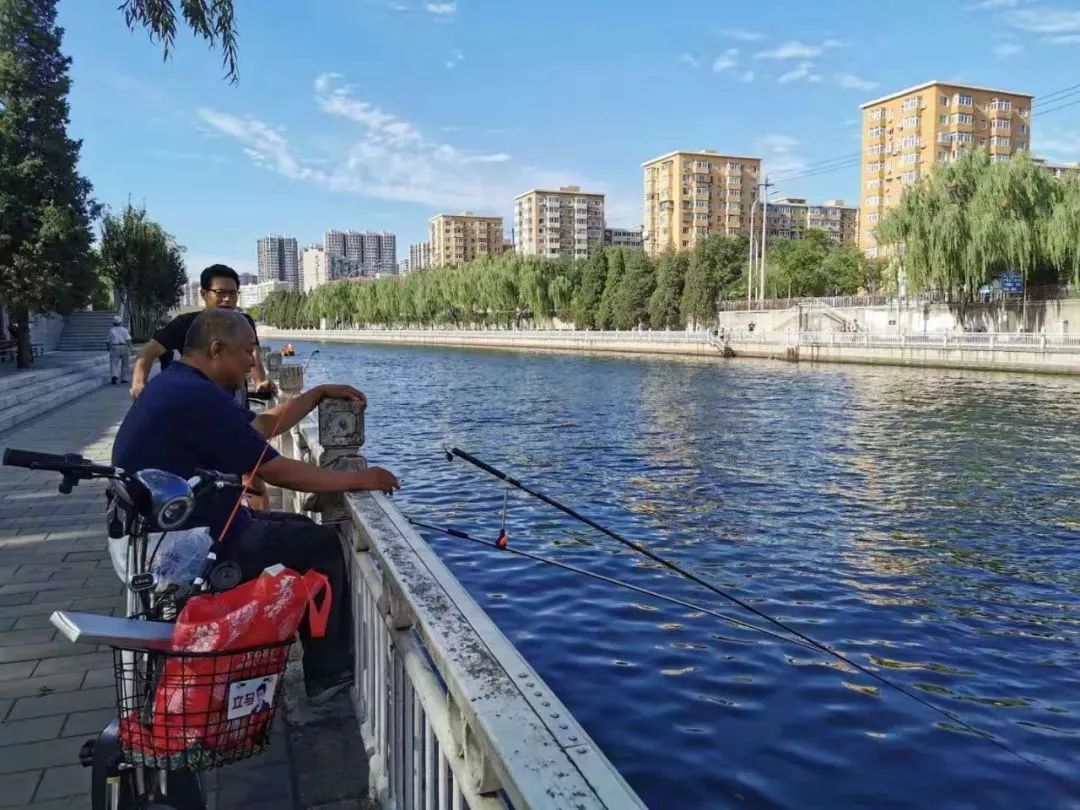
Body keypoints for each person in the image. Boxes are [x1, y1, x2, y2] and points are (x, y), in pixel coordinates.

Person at [112, 309, 399, 703]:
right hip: (181, 549)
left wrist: (315, 395)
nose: (253, 361)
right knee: (319, 545)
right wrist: (358, 479)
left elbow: (261, 428)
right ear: (217, 349)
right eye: (247, 351)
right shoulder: (196, 396)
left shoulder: (180, 385)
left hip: (155, 538)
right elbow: (277, 469)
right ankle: (328, 675)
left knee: (289, 528)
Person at [130, 264, 274, 404]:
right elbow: (148, 351)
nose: (227, 299)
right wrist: (139, 383)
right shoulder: (185, 323)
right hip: (196, 403)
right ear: (204, 294)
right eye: (221, 293)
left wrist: (260, 382)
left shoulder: (244, 322)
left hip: (235, 404)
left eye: (232, 293)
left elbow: (253, 355)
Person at [105, 315, 132, 385]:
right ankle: (124, 379)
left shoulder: (111, 330)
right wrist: (131, 349)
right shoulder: (125, 330)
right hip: (124, 347)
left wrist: (108, 348)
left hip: (115, 347)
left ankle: (114, 375)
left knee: (114, 363)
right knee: (125, 363)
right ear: (120, 322)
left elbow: (107, 341)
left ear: (113, 323)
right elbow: (128, 340)